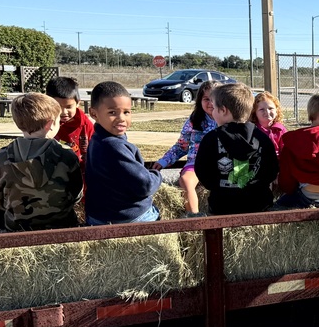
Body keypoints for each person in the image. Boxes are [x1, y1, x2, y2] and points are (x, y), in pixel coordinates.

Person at [0, 92, 83, 231]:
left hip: (17, 231)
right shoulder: (66, 155)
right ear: (50, 124)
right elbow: (76, 193)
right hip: (63, 229)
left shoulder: (2, 157)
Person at [194, 83, 279, 215]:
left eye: (215, 108)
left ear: (223, 110)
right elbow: (272, 170)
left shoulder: (211, 139)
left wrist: (217, 188)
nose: (213, 112)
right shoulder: (262, 138)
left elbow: (202, 171)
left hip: (222, 206)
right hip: (259, 205)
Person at [85, 81, 162, 225]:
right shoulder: (113, 145)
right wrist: (156, 175)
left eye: (126, 112)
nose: (121, 118)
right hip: (126, 217)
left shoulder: (97, 138)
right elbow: (144, 186)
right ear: (94, 113)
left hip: (99, 215)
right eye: (112, 113)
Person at [151, 80, 220, 216]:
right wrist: (164, 160)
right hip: (196, 164)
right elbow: (181, 145)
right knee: (186, 180)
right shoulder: (194, 120)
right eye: (206, 99)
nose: (210, 103)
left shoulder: (227, 120)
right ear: (199, 100)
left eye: (214, 99)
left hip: (221, 165)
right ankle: (194, 216)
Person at [45, 76, 94, 168]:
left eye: (68, 107)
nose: (63, 112)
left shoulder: (86, 125)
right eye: (58, 107)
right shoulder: (44, 124)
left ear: (78, 103)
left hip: (81, 174)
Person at [250, 90, 288, 155]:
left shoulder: (281, 130)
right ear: (254, 112)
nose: (267, 112)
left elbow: (286, 151)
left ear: (277, 110)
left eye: (270, 108)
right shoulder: (252, 130)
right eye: (262, 109)